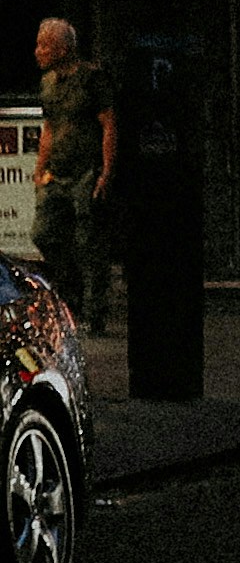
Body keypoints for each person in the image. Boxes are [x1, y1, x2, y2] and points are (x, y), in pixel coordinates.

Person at [31, 17, 119, 332]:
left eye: (45, 45)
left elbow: (108, 124)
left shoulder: (91, 79)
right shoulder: (48, 83)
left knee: (89, 242)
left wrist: (106, 172)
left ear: (64, 49)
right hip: (58, 172)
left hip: (86, 171)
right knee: (44, 234)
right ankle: (71, 298)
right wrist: (40, 167)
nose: (38, 51)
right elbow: (50, 128)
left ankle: (93, 313)